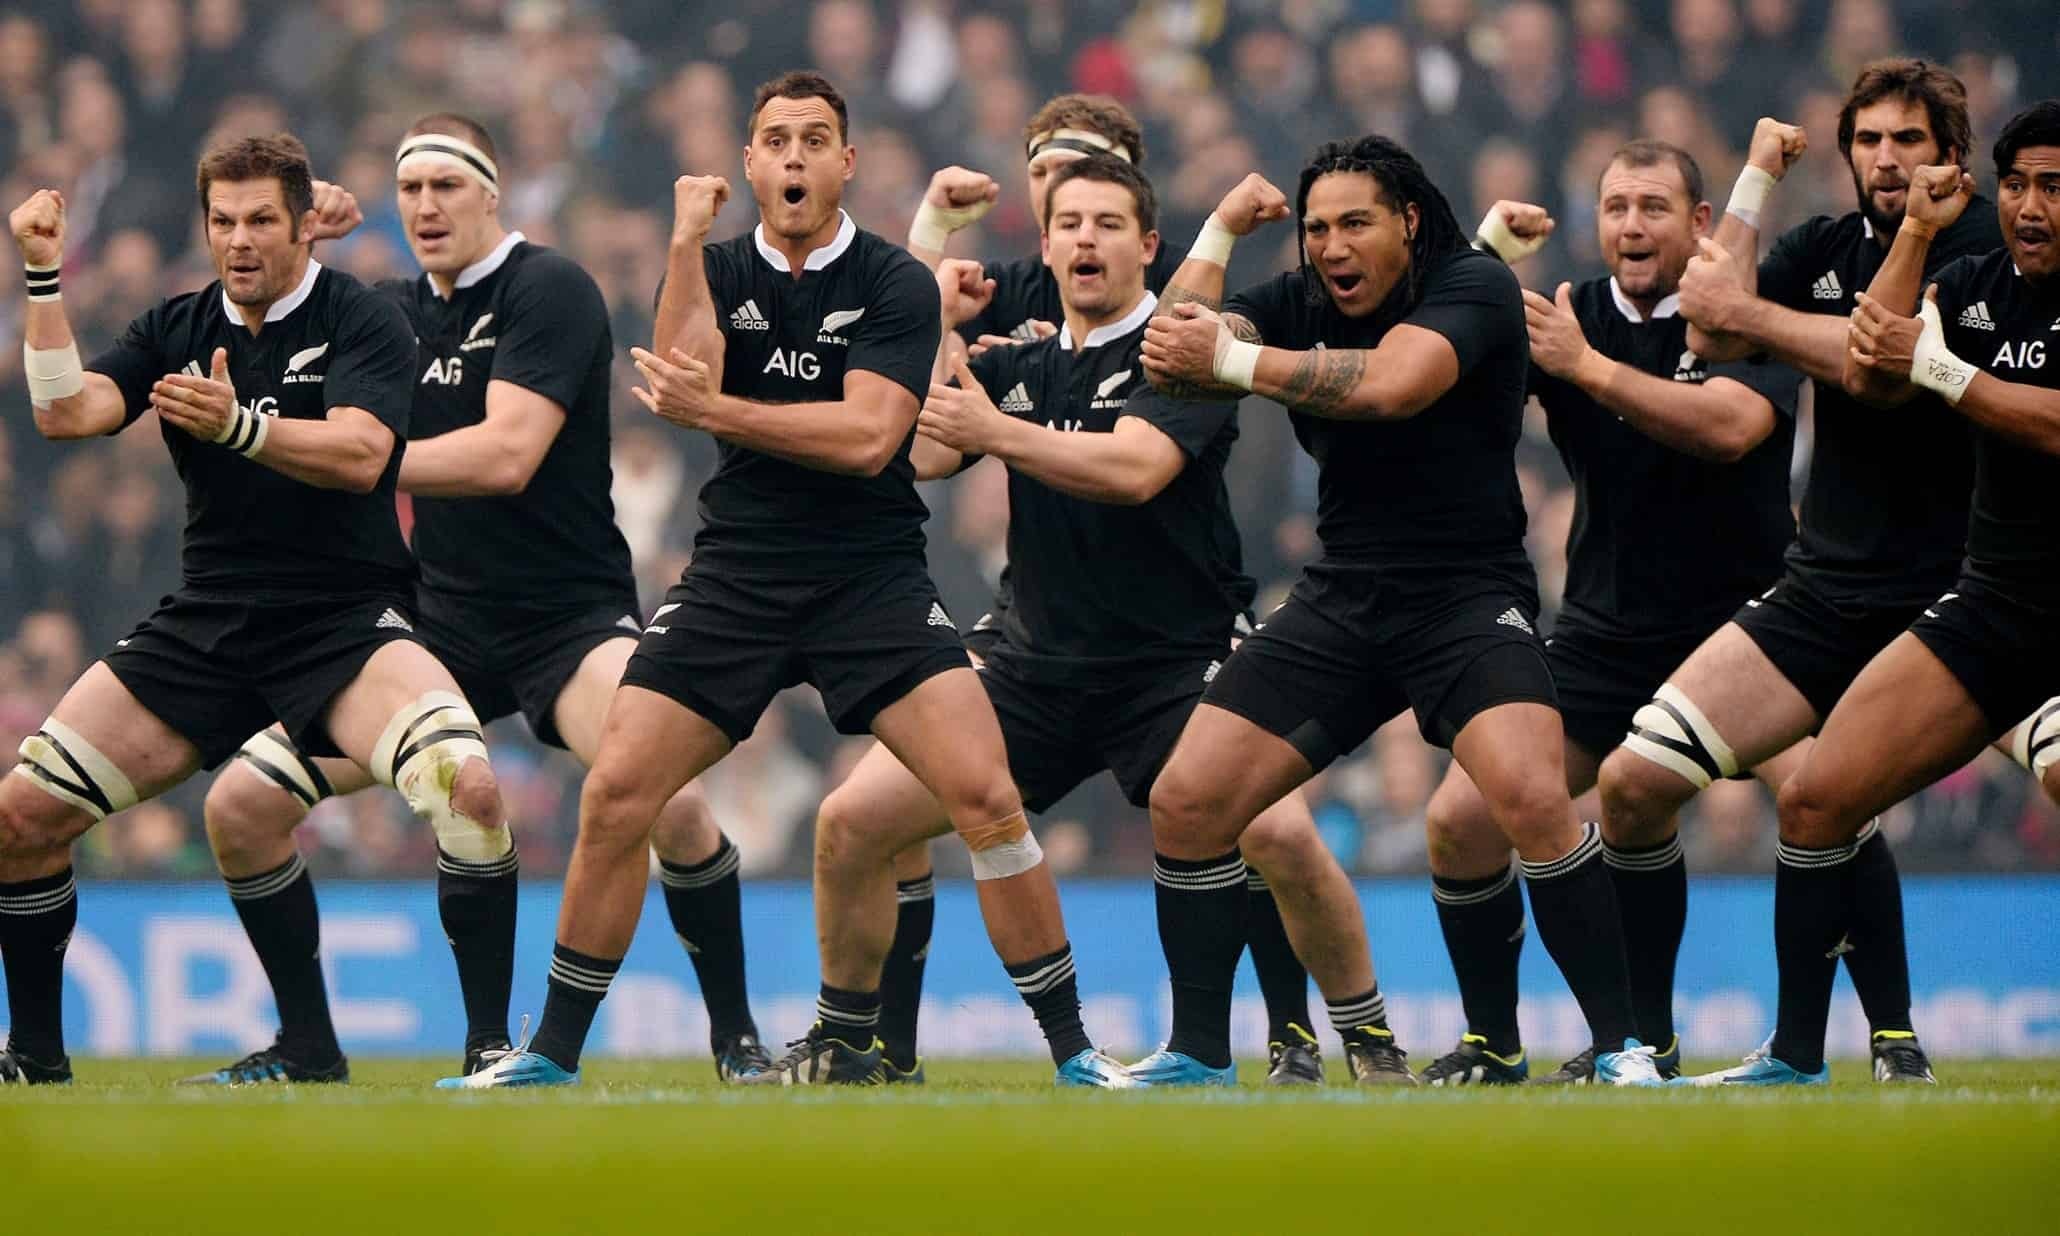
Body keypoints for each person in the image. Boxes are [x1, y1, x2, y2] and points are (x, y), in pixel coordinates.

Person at [448, 72, 1126, 1089]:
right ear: (751, 163)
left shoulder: (895, 280)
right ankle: (547, 1054)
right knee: (619, 791)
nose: (797, 157)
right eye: (776, 141)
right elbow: (679, 371)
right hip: (738, 576)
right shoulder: (715, 266)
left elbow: (864, 438)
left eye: (816, 140)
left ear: (846, 163)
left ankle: (1076, 1056)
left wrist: (721, 411)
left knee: (987, 796)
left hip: (871, 575)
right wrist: (683, 245)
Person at [184, 115, 769, 1086]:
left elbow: (506, 457)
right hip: (429, 624)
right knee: (241, 806)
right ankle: (312, 1045)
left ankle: (737, 1040)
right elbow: (255, 362)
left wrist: (359, 462)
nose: (424, 207)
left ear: (491, 195)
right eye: (408, 190)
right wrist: (290, 253)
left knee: (667, 797)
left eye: (445, 187)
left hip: (567, 620)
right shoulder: (379, 309)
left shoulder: (550, 288)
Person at [816, 154, 1411, 1089]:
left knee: (1285, 837)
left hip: (1177, 666)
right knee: (853, 820)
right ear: (1045, 246)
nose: (1085, 237)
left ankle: (1369, 1040)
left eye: (1105, 222)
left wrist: (995, 433)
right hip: (1032, 669)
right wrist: (929, 280)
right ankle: (854, 1045)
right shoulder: (1016, 363)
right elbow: (922, 450)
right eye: (1068, 223)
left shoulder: (1188, 350)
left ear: (1146, 246)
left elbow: (1134, 471)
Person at [1136, 136, 1661, 1087]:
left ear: (1408, 222)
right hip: (1343, 596)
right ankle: (1198, 1055)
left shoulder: (1473, 285)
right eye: (1316, 230)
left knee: (1533, 801)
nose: (1331, 248)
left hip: (1465, 593)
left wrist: (1231, 359)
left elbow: (1390, 385)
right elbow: (1175, 359)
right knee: (1186, 801)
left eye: (1354, 224)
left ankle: (1625, 1049)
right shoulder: (1299, 298)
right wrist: (1215, 233)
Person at [0, 133, 508, 1084]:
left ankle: (490, 1054)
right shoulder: (181, 324)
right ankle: (37, 1060)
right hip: (211, 618)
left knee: (466, 786)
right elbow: (66, 412)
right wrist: (41, 277)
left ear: (304, 223)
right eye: (222, 221)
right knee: (21, 818)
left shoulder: (363, 317)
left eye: (262, 220)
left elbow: (363, 455)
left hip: (343, 618)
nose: (240, 240)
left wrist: (239, 427)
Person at [1610, 61, 2003, 1084]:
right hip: (1827, 585)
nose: (1883, 160)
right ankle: (1667, 1046)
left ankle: (1874, 1038)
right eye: (1866, 141)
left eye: (1905, 141)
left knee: (1829, 801)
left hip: (1978, 590)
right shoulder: (1822, 247)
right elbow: (1704, 322)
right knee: (1633, 781)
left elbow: (1873, 368)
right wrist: (1749, 181)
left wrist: (1763, 323)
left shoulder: (1989, 253)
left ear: (1948, 156)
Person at [1418, 141, 1802, 1084]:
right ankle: (1499, 1045)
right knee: (1459, 822)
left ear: (1700, 222)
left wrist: (1586, 370)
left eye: (1654, 207)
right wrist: (1485, 253)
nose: (1632, 226)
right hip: (1603, 629)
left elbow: (1728, 430)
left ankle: (1880, 1037)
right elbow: (1434, 356)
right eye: (1616, 207)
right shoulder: (1569, 316)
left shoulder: (1746, 316)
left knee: (1825, 797)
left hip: (1751, 627)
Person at [1695, 99, 2060, 1085]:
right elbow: (1873, 359)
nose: (2029, 206)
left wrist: (1944, 373)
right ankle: (1797, 1055)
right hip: (1995, 601)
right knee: (1813, 796)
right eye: (2018, 182)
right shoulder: (1975, 277)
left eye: (2052, 187)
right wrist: (1907, 235)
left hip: (1973, 585)